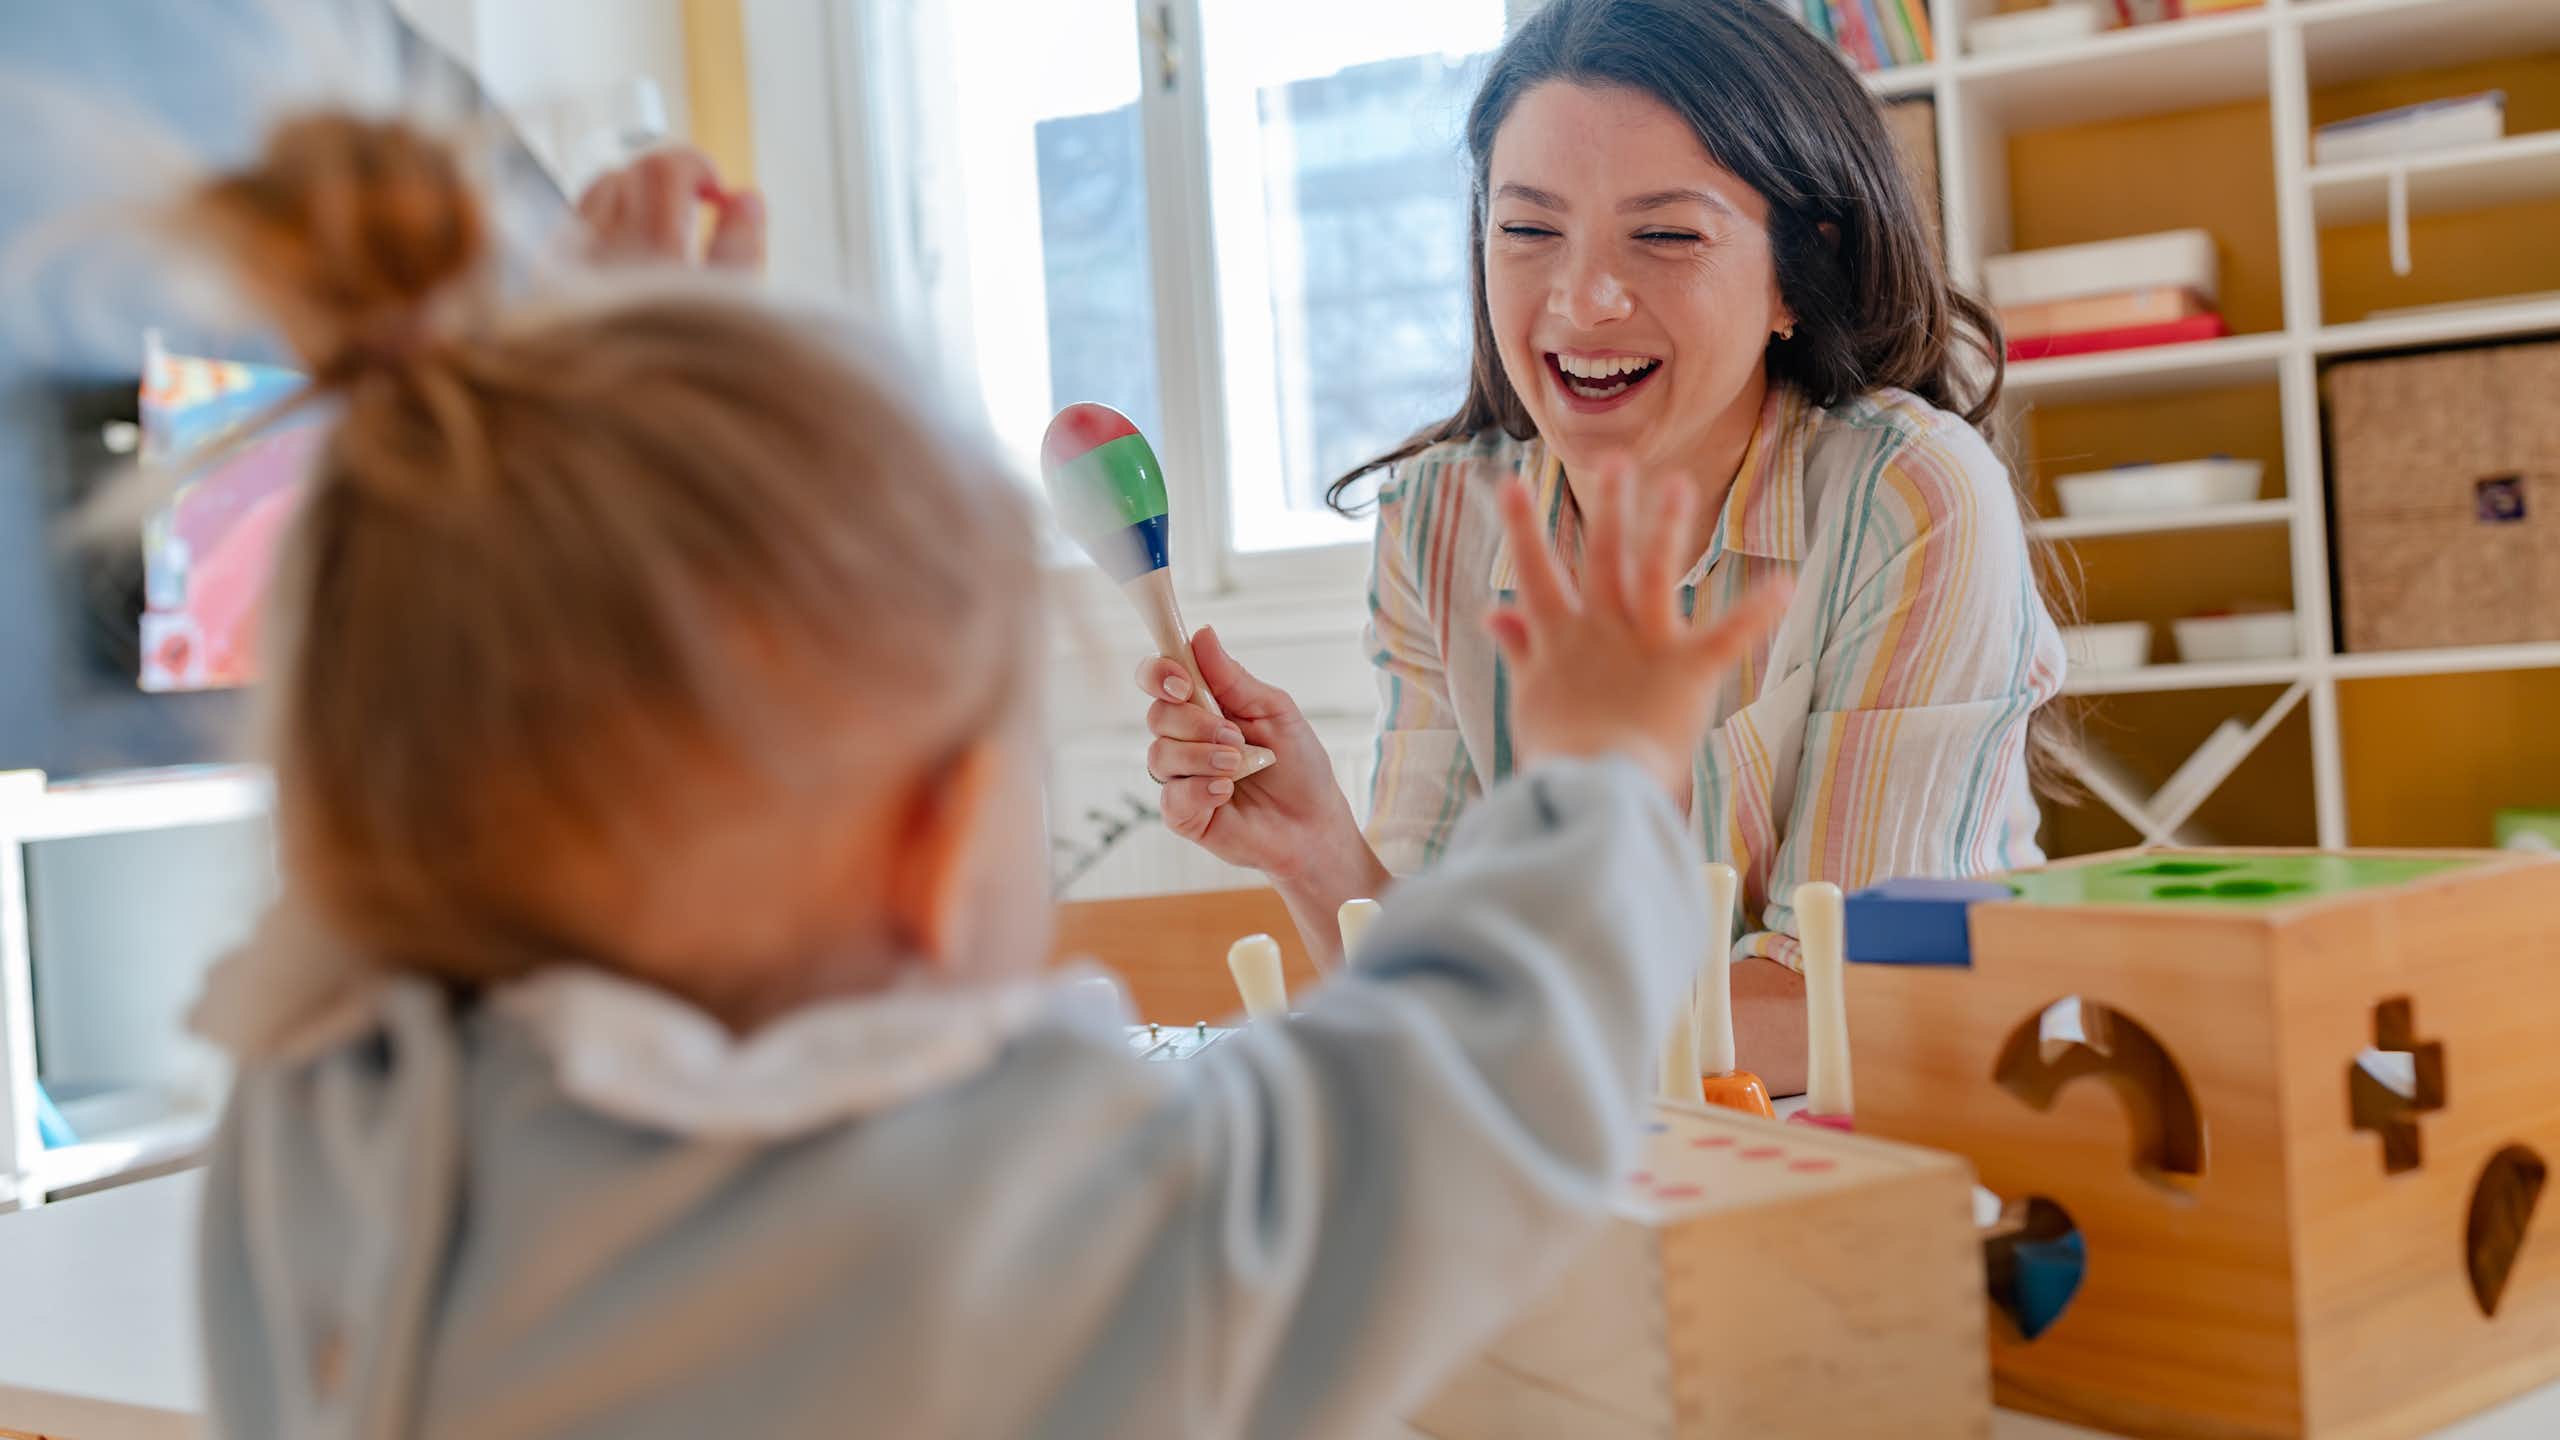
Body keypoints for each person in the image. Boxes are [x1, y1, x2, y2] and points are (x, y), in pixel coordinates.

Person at [175, 107, 1788, 1437]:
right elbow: (1456, 1099)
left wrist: (570, 428)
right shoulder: (989, 1224)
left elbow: (440, 776)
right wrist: (1594, 773)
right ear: (942, 837)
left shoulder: (328, 1134)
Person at [1136, 0, 2068, 1095]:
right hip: (1602, 1156)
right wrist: (1319, 855)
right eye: (1527, 231)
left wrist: (1484, 1020)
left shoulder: (1909, 496)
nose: (1580, 300)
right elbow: (1429, 980)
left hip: (1909, 1147)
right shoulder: (1440, 519)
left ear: (1794, 271)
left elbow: (1846, 1000)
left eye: (1665, 234)